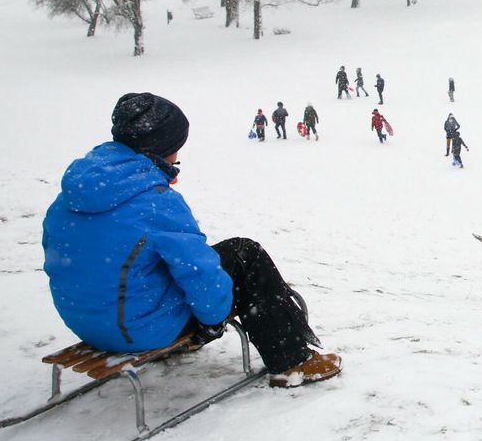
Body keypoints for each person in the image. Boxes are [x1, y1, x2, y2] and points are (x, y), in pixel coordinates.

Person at [42, 92, 340, 387]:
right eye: (175, 147)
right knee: (245, 254)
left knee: (148, 259)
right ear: (159, 147)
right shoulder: (155, 201)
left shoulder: (72, 195)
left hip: (88, 324)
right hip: (140, 329)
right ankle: (291, 361)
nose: (177, 156)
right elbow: (199, 271)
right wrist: (213, 321)